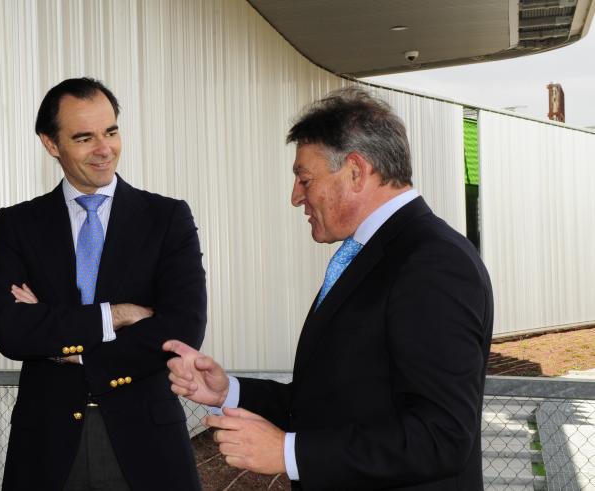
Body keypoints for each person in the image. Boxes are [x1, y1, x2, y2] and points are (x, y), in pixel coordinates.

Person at [165, 87, 493, 490]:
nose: (295, 197)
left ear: (355, 171)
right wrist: (228, 390)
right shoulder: (375, 253)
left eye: (305, 178)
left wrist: (288, 452)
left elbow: (442, 437)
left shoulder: (432, 263)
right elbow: (332, 403)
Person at [0, 77, 207, 490]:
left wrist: (75, 350)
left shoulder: (167, 218)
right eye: (85, 138)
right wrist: (116, 316)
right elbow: (9, 329)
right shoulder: (18, 224)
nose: (105, 149)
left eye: (111, 131)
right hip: (47, 446)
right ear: (51, 144)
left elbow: (182, 328)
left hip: (146, 444)